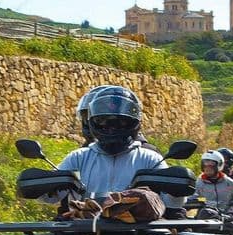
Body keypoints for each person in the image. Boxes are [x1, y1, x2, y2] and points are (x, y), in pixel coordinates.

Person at [47, 85, 184, 215]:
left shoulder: (150, 158)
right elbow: (51, 198)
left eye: (120, 122)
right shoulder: (78, 157)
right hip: (84, 231)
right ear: (93, 121)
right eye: (104, 122)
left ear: (134, 121)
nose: (111, 127)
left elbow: (172, 203)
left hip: (140, 233)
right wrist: (42, 186)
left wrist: (175, 191)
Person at [76, 86, 158, 151]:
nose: (103, 124)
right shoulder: (81, 154)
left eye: (102, 118)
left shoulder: (146, 154)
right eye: (86, 116)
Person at [195, 150, 233, 219]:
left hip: (226, 218)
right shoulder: (199, 182)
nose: (207, 167)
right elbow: (193, 198)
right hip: (205, 217)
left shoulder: (228, 182)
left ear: (219, 165)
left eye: (211, 164)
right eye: (205, 164)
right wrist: (202, 201)